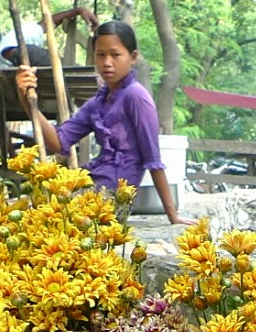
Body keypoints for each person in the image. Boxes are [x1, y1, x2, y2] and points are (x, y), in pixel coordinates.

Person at [14, 21, 191, 225]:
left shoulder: (136, 97)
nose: (107, 62)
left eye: (115, 55)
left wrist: (173, 215)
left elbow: (153, 160)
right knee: (29, 204)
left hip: (112, 200)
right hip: (92, 184)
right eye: (101, 55)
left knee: (48, 213)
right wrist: (26, 100)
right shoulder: (99, 101)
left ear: (132, 57)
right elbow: (58, 142)